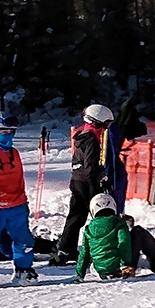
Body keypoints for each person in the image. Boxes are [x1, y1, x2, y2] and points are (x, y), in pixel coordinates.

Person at [50, 104, 116, 265]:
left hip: (77, 180)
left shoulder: (82, 134)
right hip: (88, 182)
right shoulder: (92, 138)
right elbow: (91, 165)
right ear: (97, 122)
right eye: (106, 124)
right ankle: (105, 251)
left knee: (76, 216)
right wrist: (99, 184)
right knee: (102, 216)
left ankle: (66, 249)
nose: (106, 128)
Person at [0, 112, 38, 287]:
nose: (8, 135)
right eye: (3, 132)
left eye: (11, 131)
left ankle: (23, 270)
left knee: (24, 241)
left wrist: (24, 201)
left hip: (16, 205)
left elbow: (20, 179)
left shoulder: (14, 153)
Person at [75, 193, 155, 281]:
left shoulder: (88, 229)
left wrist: (79, 275)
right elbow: (124, 243)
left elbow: (84, 253)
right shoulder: (119, 224)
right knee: (138, 232)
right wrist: (125, 265)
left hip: (102, 271)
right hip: (121, 270)